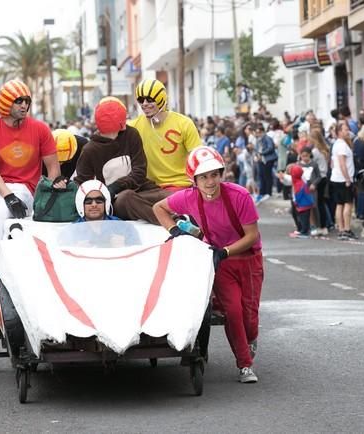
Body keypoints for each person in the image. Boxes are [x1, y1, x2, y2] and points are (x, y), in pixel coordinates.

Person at [152, 146, 263, 384]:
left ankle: (250, 339)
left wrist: (226, 251)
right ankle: (244, 364)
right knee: (232, 312)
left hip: (248, 259)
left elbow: (252, 235)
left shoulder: (240, 195)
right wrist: (175, 231)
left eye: (214, 174)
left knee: (249, 315)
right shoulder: (188, 198)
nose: (209, 181)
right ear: (194, 180)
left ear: (222, 174)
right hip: (219, 262)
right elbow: (158, 208)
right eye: (203, 176)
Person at [0, 79, 65, 328]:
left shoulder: (39, 129)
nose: (25, 105)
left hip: (25, 189)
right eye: (20, 100)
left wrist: (48, 197)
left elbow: (53, 167)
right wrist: (7, 195)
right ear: (6, 103)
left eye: (27, 100)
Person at [125, 78, 201, 223]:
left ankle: (171, 218)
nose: (145, 104)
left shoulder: (184, 124)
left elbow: (197, 159)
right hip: (148, 189)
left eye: (149, 99)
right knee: (123, 199)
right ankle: (175, 221)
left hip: (179, 189)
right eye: (141, 100)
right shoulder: (133, 127)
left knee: (169, 201)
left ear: (161, 98)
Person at [74, 97, 159, 211]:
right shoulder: (89, 150)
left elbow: (140, 171)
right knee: (127, 198)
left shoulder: (131, 134)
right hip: (114, 201)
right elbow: (82, 184)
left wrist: (116, 186)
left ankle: (176, 215)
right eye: (122, 120)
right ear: (115, 123)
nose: (125, 123)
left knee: (169, 197)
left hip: (143, 190)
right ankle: (174, 221)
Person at [330, 121, 357, 240]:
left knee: (339, 204)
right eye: (345, 130)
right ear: (339, 132)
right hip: (343, 178)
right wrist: (347, 179)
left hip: (336, 177)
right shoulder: (342, 145)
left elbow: (332, 163)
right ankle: (346, 228)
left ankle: (341, 229)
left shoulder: (337, 144)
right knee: (348, 203)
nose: (348, 132)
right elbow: (342, 163)